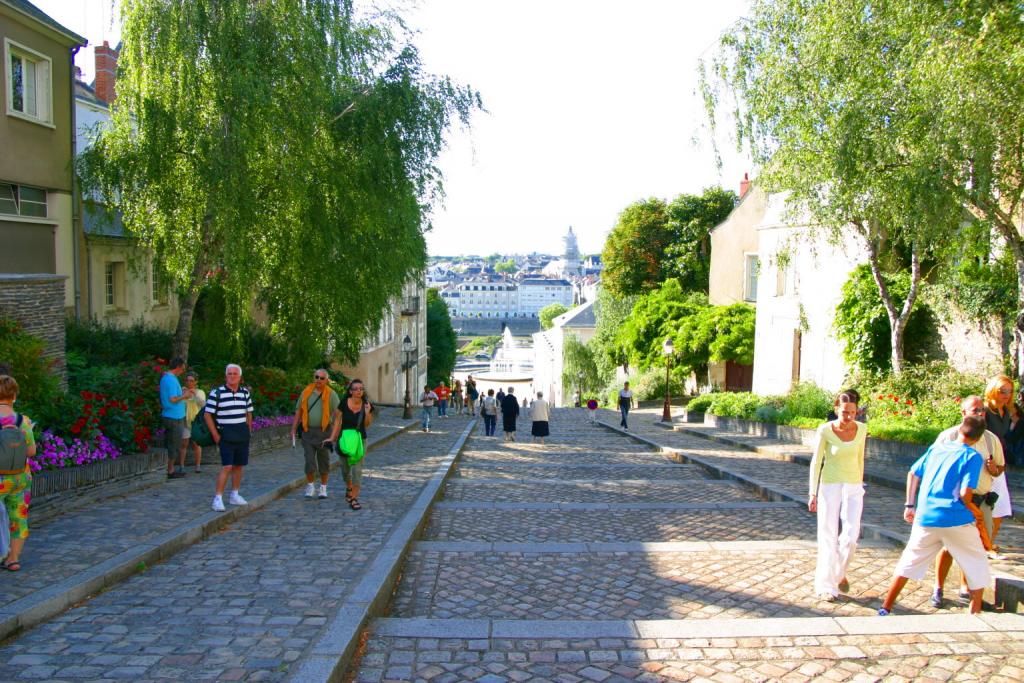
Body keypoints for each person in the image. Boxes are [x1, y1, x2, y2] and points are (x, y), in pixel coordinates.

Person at [879, 416, 990, 616]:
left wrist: (910, 505)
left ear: (959, 430)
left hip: (926, 516)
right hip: (955, 518)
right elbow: (965, 494)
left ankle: (885, 607)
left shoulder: (937, 448)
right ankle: (975, 612)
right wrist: (975, 511)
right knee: (977, 562)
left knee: (908, 562)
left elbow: (913, 473)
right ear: (978, 438)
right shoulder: (973, 456)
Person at [930, 396, 1005, 607]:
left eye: (982, 410)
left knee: (976, 548)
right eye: (975, 410)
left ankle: (966, 589)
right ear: (963, 413)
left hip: (982, 501)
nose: (980, 414)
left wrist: (994, 469)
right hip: (956, 501)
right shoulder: (949, 436)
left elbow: (1000, 467)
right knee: (948, 546)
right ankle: (938, 588)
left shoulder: (991, 439)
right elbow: (933, 465)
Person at [808, 392, 867, 601]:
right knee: (828, 535)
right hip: (830, 485)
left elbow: (860, 459)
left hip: (853, 486)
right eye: (844, 412)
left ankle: (839, 573)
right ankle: (825, 586)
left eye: (852, 412)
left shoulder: (862, 429)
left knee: (851, 537)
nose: (849, 416)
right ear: (837, 410)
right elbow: (816, 461)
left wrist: (860, 484)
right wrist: (813, 492)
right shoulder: (825, 430)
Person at [205, 364, 254, 512]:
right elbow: (207, 414)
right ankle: (218, 498)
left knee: (239, 465)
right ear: (226, 376)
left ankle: (235, 494)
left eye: (235, 374)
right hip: (225, 434)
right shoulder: (217, 393)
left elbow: (249, 412)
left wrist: (248, 430)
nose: (232, 376)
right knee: (227, 466)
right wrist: (215, 435)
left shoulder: (245, 393)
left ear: (240, 377)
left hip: (242, 434)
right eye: (229, 374)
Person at [0, 375, 35, 572]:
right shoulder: (23, 420)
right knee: (18, 517)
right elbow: (31, 451)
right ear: (14, 396)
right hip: (20, 477)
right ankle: (13, 559)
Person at [291, 369, 339, 500]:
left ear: (326, 380)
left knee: (324, 461)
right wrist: (293, 428)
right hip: (308, 432)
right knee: (309, 461)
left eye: (322, 378)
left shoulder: (331, 394)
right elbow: (299, 411)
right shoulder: (306, 392)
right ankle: (310, 486)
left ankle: (323, 487)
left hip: (324, 433)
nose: (318, 380)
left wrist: (335, 432)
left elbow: (338, 414)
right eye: (317, 377)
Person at [329, 379, 374, 511]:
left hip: (360, 440)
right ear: (350, 391)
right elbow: (337, 421)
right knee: (345, 469)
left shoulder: (366, 404)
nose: (359, 391)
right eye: (356, 389)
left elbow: (367, 424)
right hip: (344, 440)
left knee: (357, 470)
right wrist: (332, 437)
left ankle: (354, 498)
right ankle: (349, 486)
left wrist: (367, 412)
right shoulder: (344, 403)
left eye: (361, 388)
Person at [981, 375, 1015, 555]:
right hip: (985, 463)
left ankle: (989, 544)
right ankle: (983, 545)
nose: (1006, 395)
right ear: (993, 390)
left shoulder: (1006, 412)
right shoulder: (985, 411)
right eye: (1002, 391)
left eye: (1009, 391)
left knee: (1000, 507)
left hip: (999, 463)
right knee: (985, 506)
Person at [159, 357, 193, 479]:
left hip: (172, 415)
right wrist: (185, 396)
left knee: (172, 442)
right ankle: (170, 470)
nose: (183, 371)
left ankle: (170, 469)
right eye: (183, 368)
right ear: (178, 367)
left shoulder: (166, 378)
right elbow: (173, 399)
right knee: (174, 444)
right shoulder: (171, 380)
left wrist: (182, 393)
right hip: (174, 417)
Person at [182, 372, 207, 473]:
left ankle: (198, 466)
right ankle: (181, 466)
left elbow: (203, 404)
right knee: (184, 444)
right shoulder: (182, 391)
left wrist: (195, 394)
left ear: (196, 382)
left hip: (196, 422)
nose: (189, 382)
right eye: (187, 380)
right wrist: (184, 395)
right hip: (184, 420)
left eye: (191, 381)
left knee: (196, 444)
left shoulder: (200, 392)